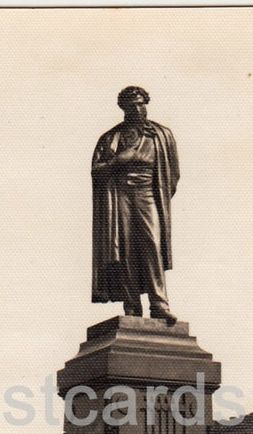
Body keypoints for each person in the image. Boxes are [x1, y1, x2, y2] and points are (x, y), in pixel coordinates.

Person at [91, 86, 180, 322]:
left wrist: (157, 196)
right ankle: (132, 305)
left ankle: (159, 304)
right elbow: (96, 171)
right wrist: (120, 161)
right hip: (120, 196)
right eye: (133, 106)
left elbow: (173, 175)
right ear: (124, 108)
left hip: (149, 194)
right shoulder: (110, 138)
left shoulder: (161, 135)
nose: (139, 109)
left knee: (152, 246)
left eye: (142, 104)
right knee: (125, 250)